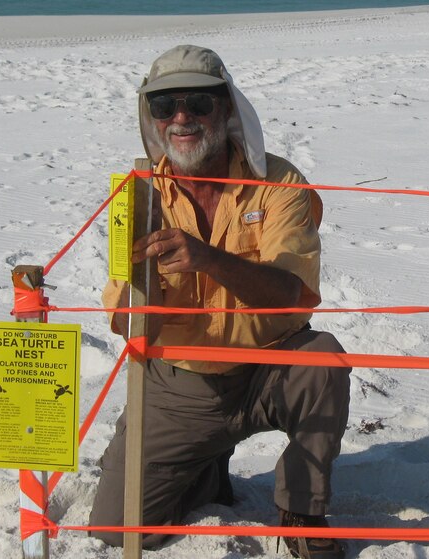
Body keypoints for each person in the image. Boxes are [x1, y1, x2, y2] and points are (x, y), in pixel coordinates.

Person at [89, 45, 350, 559]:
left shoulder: (280, 183)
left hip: (267, 368)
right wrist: (148, 281)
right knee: (116, 531)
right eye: (165, 106)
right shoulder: (138, 193)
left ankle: (302, 513)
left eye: (198, 103)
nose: (181, 118)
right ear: (152, 118)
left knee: (322, 360)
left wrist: (207, 258)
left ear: (227, 109)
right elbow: (125, 323)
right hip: (179, 384)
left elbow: (291, 297)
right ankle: (206, 465)